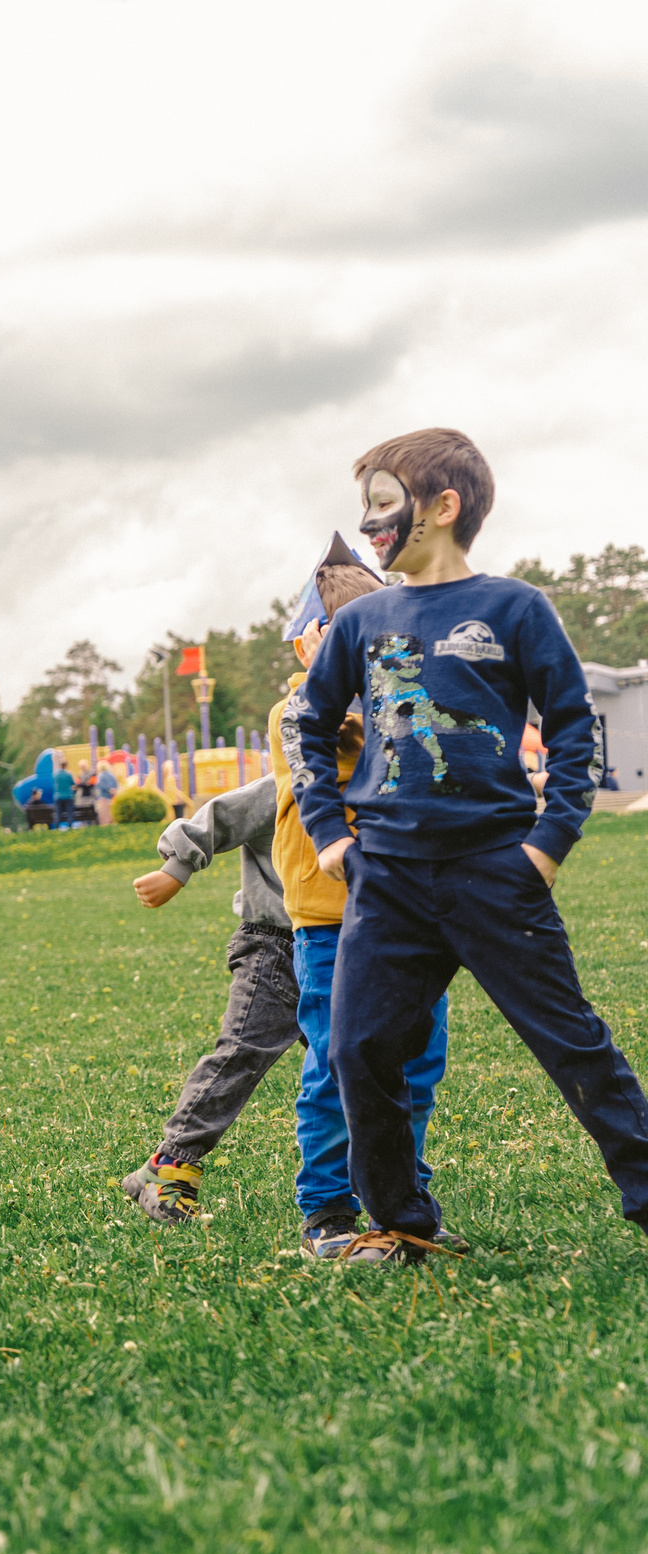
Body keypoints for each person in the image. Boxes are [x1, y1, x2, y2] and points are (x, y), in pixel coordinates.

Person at [295, 428, 648, 1260]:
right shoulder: (365, 620)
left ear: (442, 507)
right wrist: (331, 838)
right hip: (385, 878)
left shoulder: (517, 609)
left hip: (496, 873)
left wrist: (547, 844)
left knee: (572, 1043)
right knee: (356, 1048)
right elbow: (308, 727)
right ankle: (401, 1224)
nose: (371, 520)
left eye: (385, 503)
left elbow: (573, 733)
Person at [269, 540, 451, 1258]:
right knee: (336, 1067)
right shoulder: (300, 708)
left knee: (416, 1061)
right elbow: (332, 749)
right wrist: (329, 675)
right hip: (331, 920)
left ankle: (404, 1202)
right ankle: (329, 1209)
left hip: (413, 912)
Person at [118, 772, 298, 1222]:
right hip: (277, 946)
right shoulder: (289, 779)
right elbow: (219, 816)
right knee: (241, 1056)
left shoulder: (376, 777)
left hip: (341, 945)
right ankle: (170, 1165)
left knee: (350, 1070)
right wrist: (174, 870)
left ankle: (371, 1190)